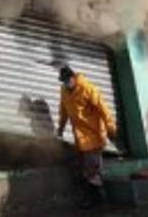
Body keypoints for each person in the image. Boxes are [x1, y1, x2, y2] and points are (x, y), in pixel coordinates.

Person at [56, 64, 117, 209]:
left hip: (93, 136)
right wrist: (60, 128)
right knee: (87, 169)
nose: (66, 83)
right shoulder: (64, 91)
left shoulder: (87, 88)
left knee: (92, 169)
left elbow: (103, 108)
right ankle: (95, 199)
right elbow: (63, 111)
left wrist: (110, 127)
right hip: (80, 138)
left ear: (73, 77)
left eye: (68, 80)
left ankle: (99, 200)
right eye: (63, 81)